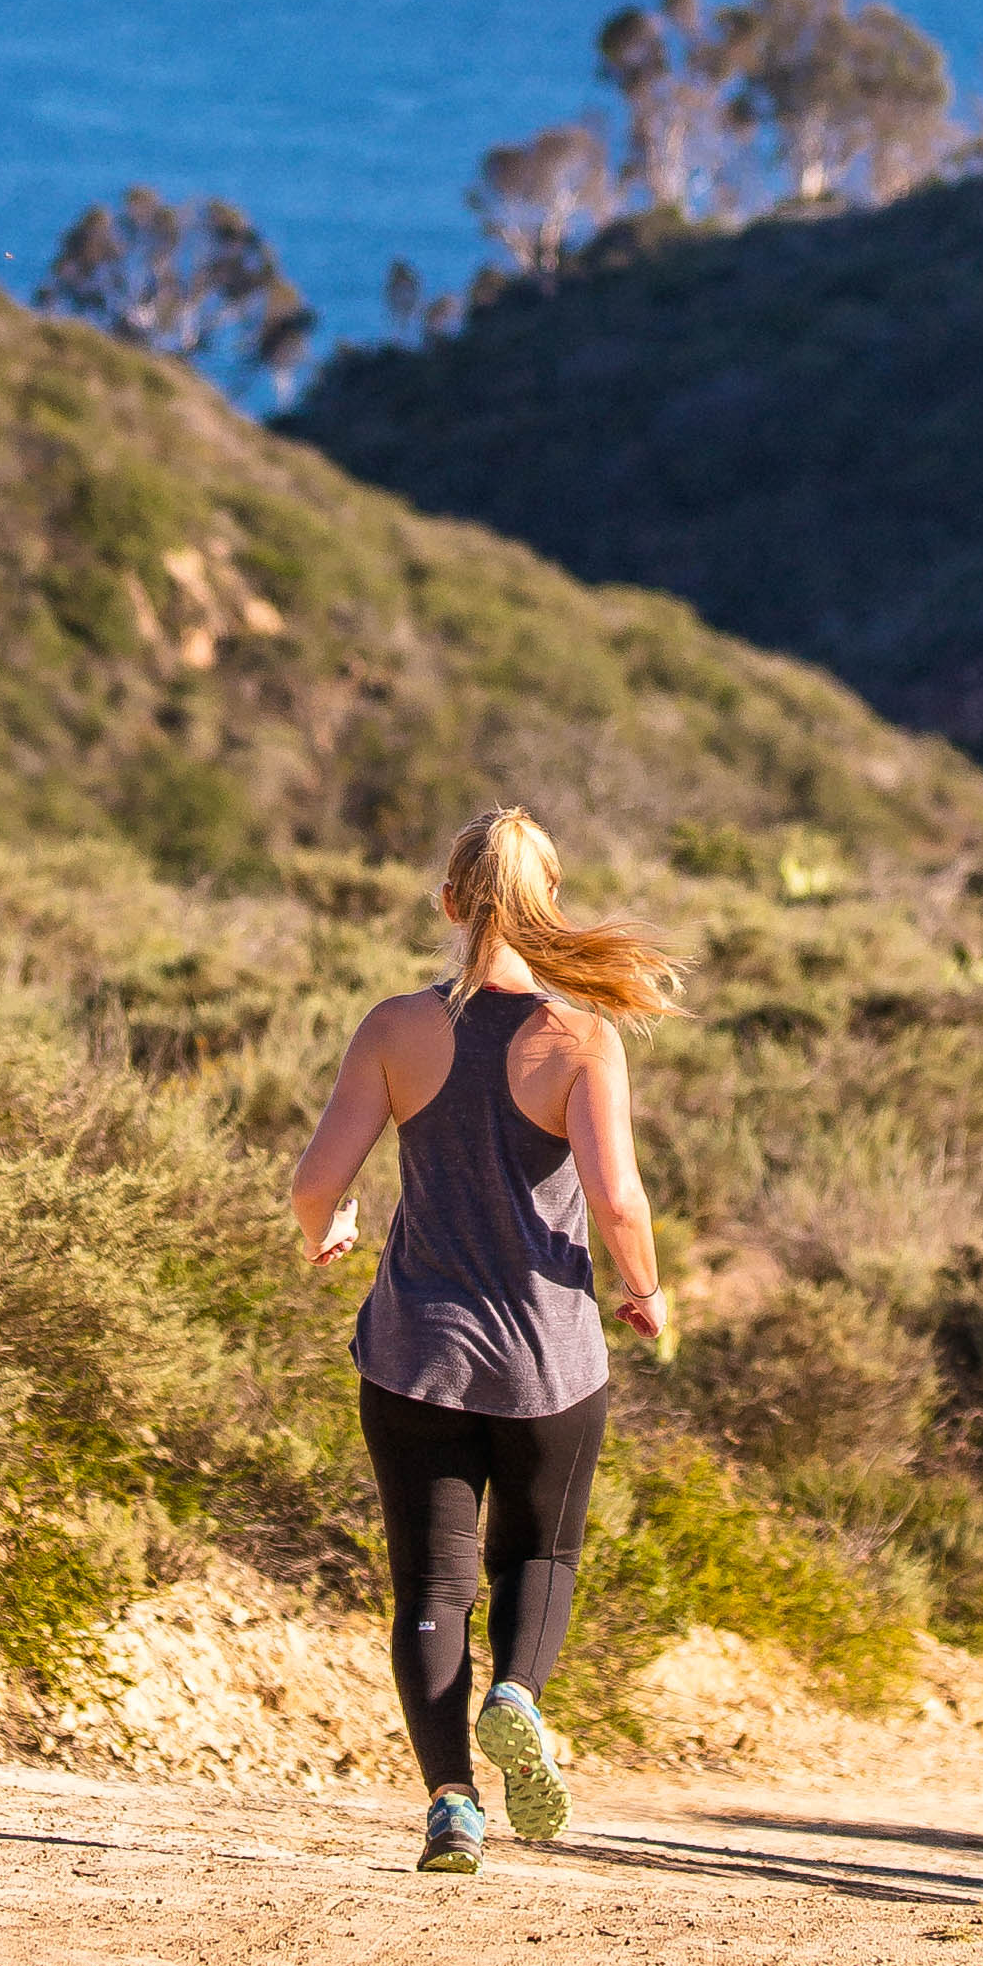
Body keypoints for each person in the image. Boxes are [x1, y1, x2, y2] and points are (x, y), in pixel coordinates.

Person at [290, 803, 681, 1874]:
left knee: (430, 1587)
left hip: (414, 1351)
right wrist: (644, 1292)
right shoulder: (580, 1039)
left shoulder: (393, 1029)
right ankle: (518, 1692)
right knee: (541, 1553)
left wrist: (330, 1229)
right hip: (550, 1357)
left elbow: (316, 1183)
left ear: (449, 904)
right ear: (546, 904)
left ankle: (452, 1805)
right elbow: (619, 1199)